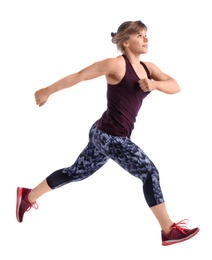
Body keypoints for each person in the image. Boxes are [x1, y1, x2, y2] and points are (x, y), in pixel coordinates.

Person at [16, 20, 199, 246]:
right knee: (149, 172)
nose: (146, 39)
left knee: (76, 172)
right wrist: (47, 91)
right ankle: (168, 230)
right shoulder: (116, 65)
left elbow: (175, 85)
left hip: (102, 132)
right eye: (140, 35)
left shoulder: (149, 68)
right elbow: (80, 75)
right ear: (125, 41)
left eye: (146, 35)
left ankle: (28, 196)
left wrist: (155, 85)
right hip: (111, 137)